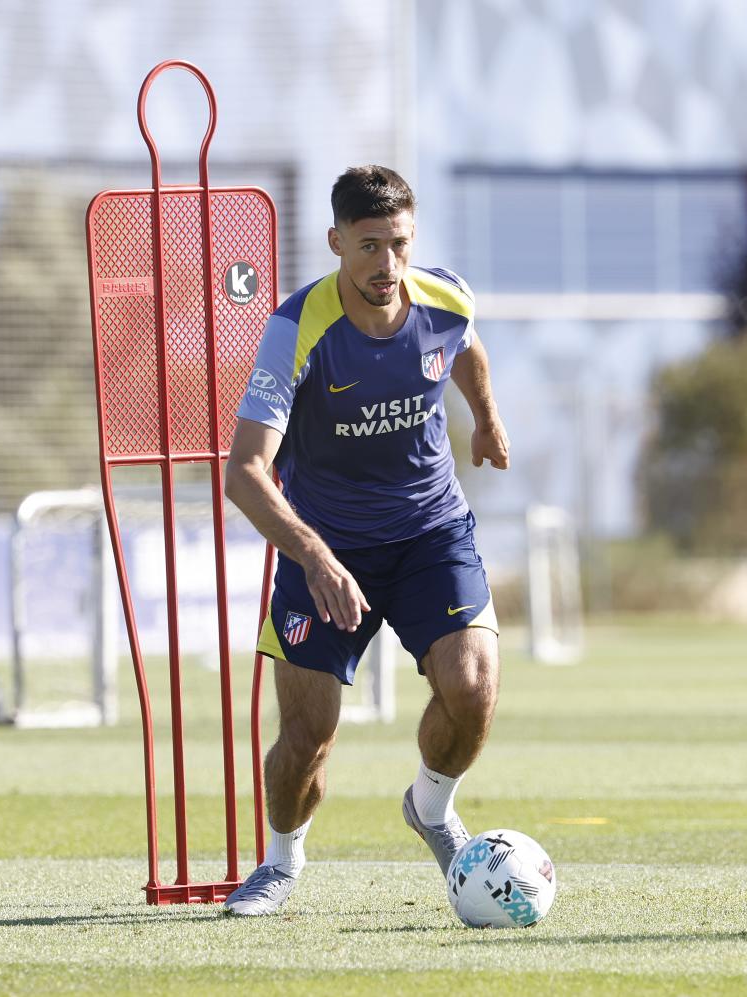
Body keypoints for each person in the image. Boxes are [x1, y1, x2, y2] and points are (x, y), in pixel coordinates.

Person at [222, 165, 510, 916]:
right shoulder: (296, 329)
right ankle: (281, 862)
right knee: (308, 738)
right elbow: (244, 472)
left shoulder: (445, 298)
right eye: (369, 246)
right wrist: (315, 557)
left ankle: (432, 808)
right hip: (326, 547)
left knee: (473, 689)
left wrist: (485, 417)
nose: (388, 265)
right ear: (336, 243)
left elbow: (467, 348)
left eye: (400, 245)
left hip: (430, 531)